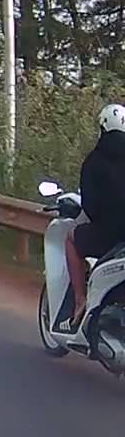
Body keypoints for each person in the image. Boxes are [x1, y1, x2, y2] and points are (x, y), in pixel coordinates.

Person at [66, 103, 125, 356]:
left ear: (102, 127)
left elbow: (89, 207)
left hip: (109, 234)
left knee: (71, 238)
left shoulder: (94, 160)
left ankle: (80, 300)